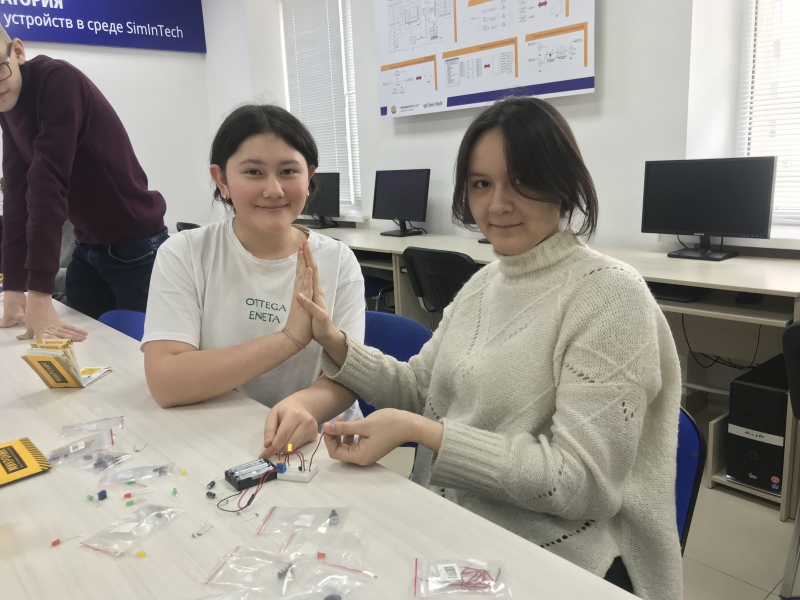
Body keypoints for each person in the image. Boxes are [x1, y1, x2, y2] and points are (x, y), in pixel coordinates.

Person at [262, 97, 683, 599]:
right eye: (481, 184)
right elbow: (421, 389)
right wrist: (332, 339)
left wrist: (424, 433)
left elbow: (580, 484)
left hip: (558, 557)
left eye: (522, 181)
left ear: (563, 183)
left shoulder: (611, 297)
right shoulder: (486, 282)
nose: (497, 204)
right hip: (448, 526)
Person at [141, 104, 364, 419]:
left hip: (318, 434)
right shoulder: (184, 253)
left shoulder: (339, 260)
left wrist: (302, 408)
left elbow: (348, 375)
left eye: (288, 171)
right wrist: (288, 339)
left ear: (309, 176)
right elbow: (166, 383)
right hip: (219, 429)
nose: (273, 190)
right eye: (253, 172)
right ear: (221, 179)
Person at [0, 27, 168, 341]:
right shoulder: (7, 104)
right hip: (88, 245)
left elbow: (46, 185)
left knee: (146, 351)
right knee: (83, 347)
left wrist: (38, 292)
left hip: (137, 245)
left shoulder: (58, 81)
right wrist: (13, 287)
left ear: (18, 52)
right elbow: (16, 192)